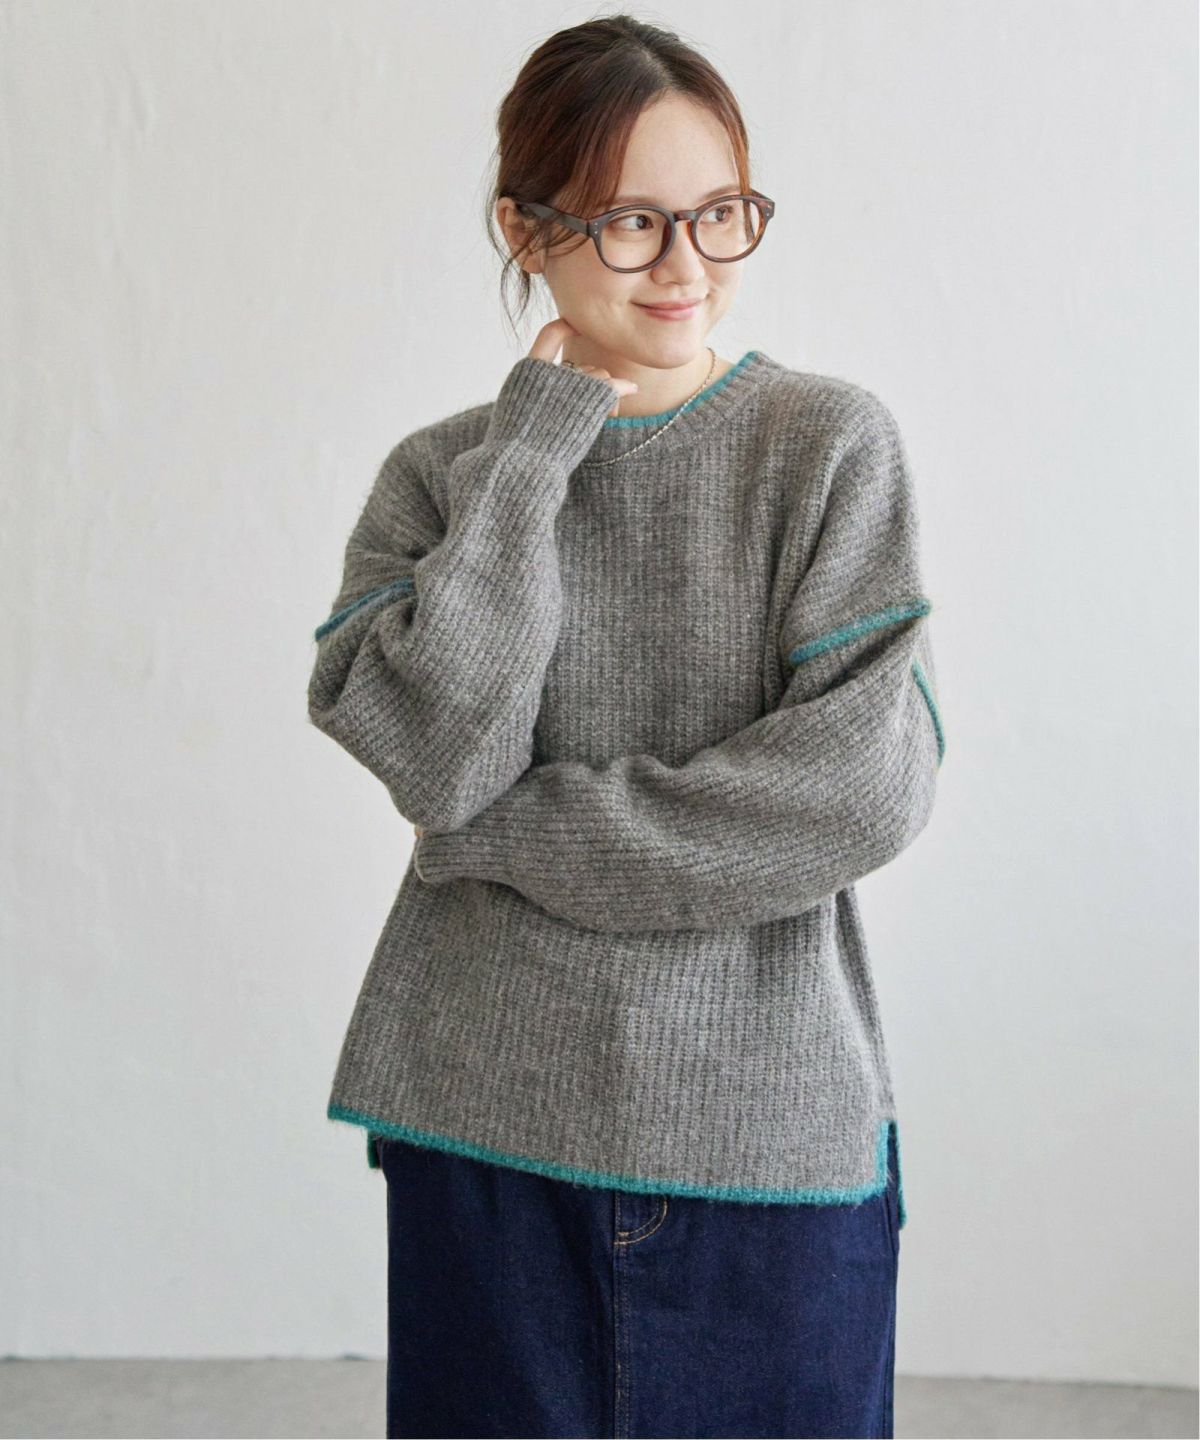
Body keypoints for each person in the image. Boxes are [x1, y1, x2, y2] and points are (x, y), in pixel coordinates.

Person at [307, 13, 945, 1439]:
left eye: (720, 213)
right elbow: (441, 755)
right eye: (630, 222)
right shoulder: (440, 477)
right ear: (524, 230)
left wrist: (505, 833)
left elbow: (859, 789)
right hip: (484, 1128)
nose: (687, 265)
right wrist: (533, 447)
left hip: (763, 1137)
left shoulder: (825, 446)